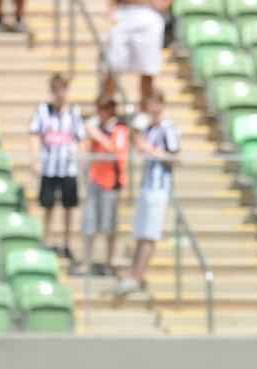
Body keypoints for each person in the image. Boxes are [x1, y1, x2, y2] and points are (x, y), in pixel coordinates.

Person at [114, 91, 179, 298]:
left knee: (150, 233)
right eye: (148, 104)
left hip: (159, 188)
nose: (151, 109)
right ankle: (135, 274)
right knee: (141, 232)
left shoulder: (168, 129)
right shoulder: (149, 129)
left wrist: (150, 149)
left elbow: (174, 158)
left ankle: (137, 275)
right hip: (147, 185)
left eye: (154, 104)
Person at [30, 73, 86, 260]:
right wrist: (36, 159)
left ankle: (67, 242)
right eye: (56, 90)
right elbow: (35, 135)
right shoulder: (43, 111)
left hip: (68, 167)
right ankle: (46, 240)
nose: (60, 94)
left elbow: (81, 138)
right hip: (49, 166)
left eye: (63, 89)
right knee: (48, 205)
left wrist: (80, 159)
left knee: (69, 206)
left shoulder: (74, 113)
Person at [79, 95, 129, 276]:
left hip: (111, 183)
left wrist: (97, 136)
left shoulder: (119, 129)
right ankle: (86, 261)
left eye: (102, 110)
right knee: (89, 222)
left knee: (109, 225)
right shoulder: (97, 128)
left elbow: (116, 150)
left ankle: (109, 262)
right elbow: (86, 149)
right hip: (95, 179)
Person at [102, 0, 173, 110]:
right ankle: (105, 111)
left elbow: (163, 3)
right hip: (123, 13)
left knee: (148, 69)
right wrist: (111, 8)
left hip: (149, 14)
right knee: (112, 66)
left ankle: (145, 113)